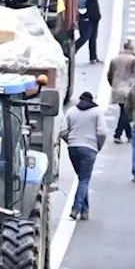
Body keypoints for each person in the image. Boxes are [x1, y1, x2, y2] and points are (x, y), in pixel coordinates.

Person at [60, 91, 107, 220]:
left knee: (82, 178)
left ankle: (85, 211)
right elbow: (102, 132)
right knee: (84, 179)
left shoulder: (71, 111)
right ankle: (76, 208)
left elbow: (63, 131)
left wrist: (71, 141)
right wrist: (98, 146)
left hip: (73, 148)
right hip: (89, 148)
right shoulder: (97, 112)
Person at [108, 40, 135, 142]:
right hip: (128, 89)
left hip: (117, 88)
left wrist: (113, 85)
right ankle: (117, 134)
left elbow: (109, 75)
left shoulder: (115, 59)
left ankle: (129, 135)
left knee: (124, 111)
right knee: (126, 112)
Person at [75, 0, 103, 64]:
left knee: (93, 38)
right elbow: (81, 3)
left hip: (93, 19)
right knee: (85, 36)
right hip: (87, 19)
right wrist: (84, 15)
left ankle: (93, 57)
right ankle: (73, 50)